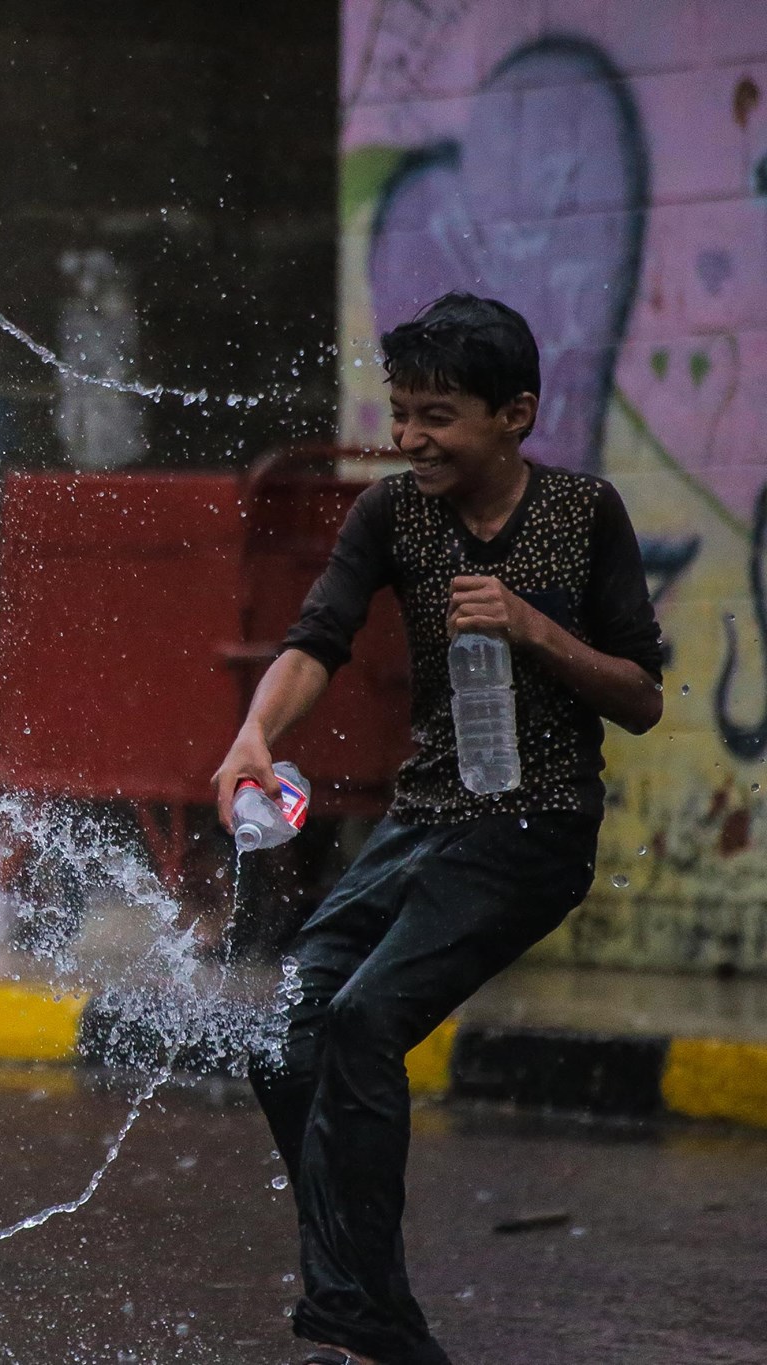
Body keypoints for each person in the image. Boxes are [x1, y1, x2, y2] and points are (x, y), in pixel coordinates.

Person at [210, 292, 663, 1365]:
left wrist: (532, 626)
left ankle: (355, 1306)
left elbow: (639, 698)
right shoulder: (389, 515)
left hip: (532, 830)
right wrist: (252, 733)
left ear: (513, 414)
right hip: (422, 825)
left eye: (437, 417)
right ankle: (358, 1296)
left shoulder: (581, 512)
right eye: (399, 412)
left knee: (363, 1022)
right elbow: (314, 638)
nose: (409, 439)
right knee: (288, 1026)